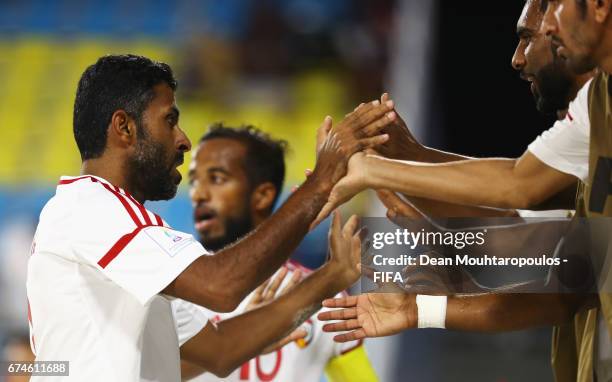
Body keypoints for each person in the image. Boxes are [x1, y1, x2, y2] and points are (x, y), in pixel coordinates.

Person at [25, 54, 396, 381]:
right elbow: (221, 287)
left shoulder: (127, 237)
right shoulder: (93, 209)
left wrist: (332, 276)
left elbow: (220, 351)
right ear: (124, 127)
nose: (183, 139)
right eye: (169, 120)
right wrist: (322, 180)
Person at [173, 124, 378, 381]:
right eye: (194, 181)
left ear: (262, 196)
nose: (199, 194)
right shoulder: (170, 291)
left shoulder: (328, 300)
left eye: (217, 179)